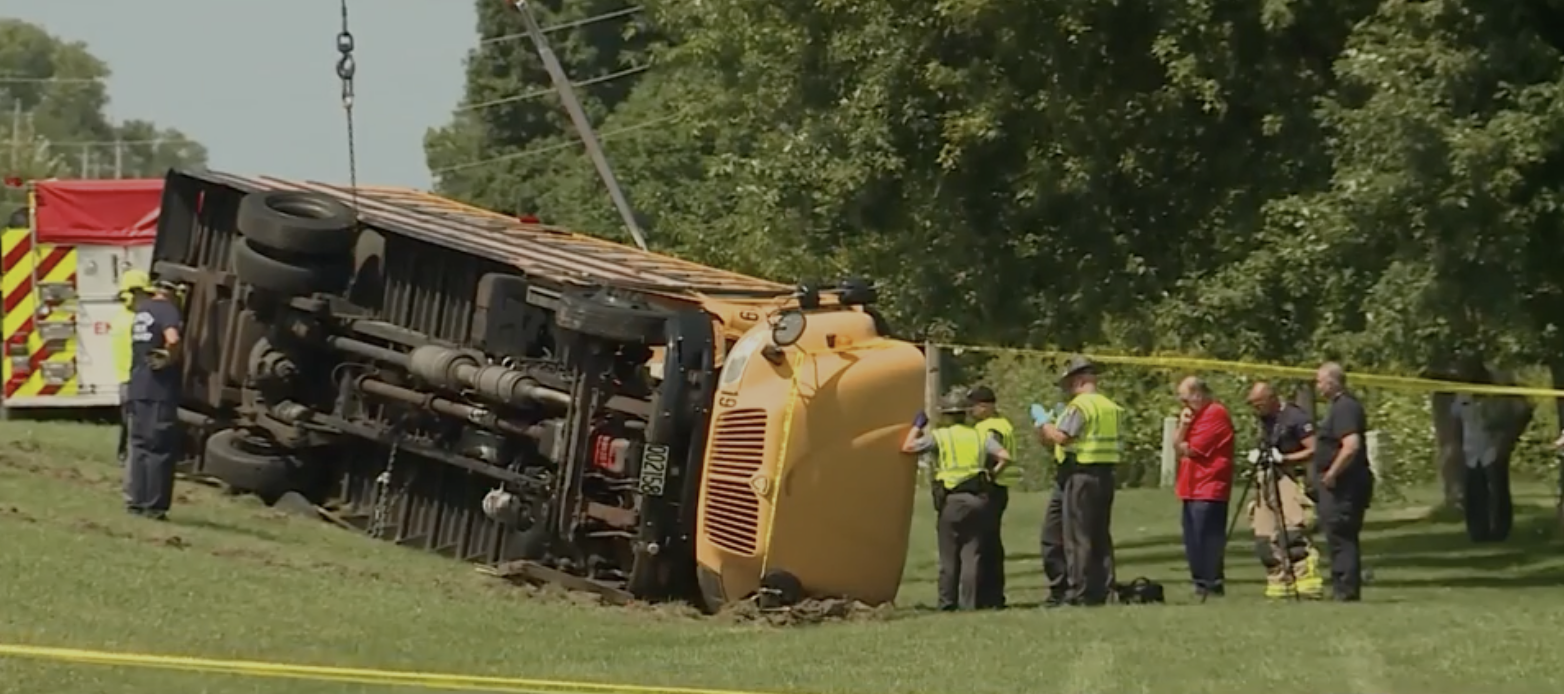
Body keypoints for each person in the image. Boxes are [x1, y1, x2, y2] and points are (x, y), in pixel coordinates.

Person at [901, 392, 1013, 611]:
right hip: (979, 500)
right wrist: (991, 474)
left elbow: (908, 447)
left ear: (945, 415)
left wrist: (917, 426)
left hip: (952, 501)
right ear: (966, 414)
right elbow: (1005, 456)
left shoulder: (940, 436)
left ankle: (947, 603)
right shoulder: (980, 435)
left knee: (949, 556)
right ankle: (969, 604)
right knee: (972, 554)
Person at [1034, 355, 1124, 608]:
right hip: (1104, 474)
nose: (1068, 390)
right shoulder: (1110, 406)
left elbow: (1063, 438)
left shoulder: (1080, 406)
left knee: (1077, 536)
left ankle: (1079, 591)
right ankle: (1105, 589)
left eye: (1069, 384)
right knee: (1099, 534)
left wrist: (1044, 423)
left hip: (1081, 473)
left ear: (1080, 380)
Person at [1245, 381, 1324, 599]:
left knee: (1292, 535)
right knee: (1264, 538)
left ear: (1272, 399)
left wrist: (1285, 458)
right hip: (1266, 477)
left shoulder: (1295, 417)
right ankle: (1279, 585)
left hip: (1288, 476)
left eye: (1259, 404)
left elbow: (1314, 449)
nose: (1256, 410)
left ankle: (1307, 584)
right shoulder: (1263, 419)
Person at [125, 279, 184, 521]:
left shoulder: (143, 310)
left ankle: (136, 502)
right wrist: (171, 357)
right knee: (159, 446)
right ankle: (155, 506)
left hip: (137, 384)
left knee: (138, 446)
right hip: (158, 388)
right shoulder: (167, 309)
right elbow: (173, 338)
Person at [1314, 361, 1373, 601]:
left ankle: (1346, 589)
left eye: (1319, 381)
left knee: (1341, 534)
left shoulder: (1345, 407)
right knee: (1336, 533)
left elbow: (1351, 446)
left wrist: (1332, 473)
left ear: (1331, 381)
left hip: (1345, 485)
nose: (1317, 386)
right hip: (1340, 484)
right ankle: (1341, 585)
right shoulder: (1338, 406)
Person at [1173, 376, 1234, 601]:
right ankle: (1199, 582)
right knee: (1192, 538)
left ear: (1198, 394)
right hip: (1190, 485)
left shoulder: (1215, 413)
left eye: (1186, 399)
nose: (1184, 405)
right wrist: (1183, 426)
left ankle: (1212, 582)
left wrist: (1183, 433)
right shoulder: (1193, 416)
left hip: (1209, 485)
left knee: (1206, 536)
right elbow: (1177, 447)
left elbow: (1193, 449)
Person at [967, 385, 1017, 610]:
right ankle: (993, 595)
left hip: (992, 488)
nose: (971, 411)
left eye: (974, 406)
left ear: (985, 406)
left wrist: (989, 475)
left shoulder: (988, 428)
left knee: (986, 545)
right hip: (1002, 488)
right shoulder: (1003, 423)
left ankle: (989, 595)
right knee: (992, 543)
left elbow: (997, 457)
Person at [112, 269, 151, 468]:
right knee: (134, 421)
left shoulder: (120, 319)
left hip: (124, 377)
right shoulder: (134, 321)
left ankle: (123, 454)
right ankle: (129, 457)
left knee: (127, 419)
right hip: (133, 377)